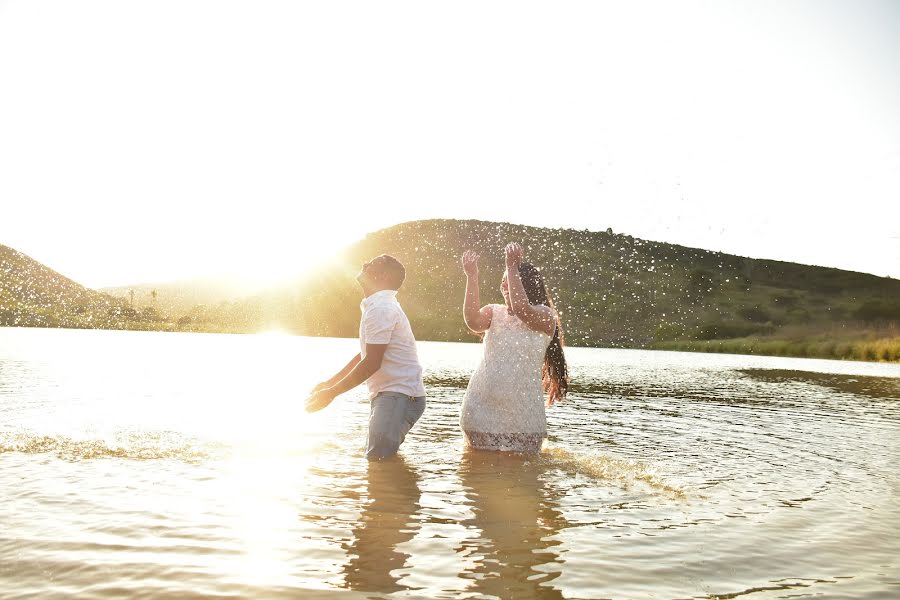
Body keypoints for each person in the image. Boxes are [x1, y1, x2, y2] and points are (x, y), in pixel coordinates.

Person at [305, 254, 426, 460]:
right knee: (381, 463)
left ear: (384, 276)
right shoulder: (378, 306)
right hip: (395, 396)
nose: (365, 263)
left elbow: (371, 363)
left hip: (397, 396)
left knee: (378, 462)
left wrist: (332, 393)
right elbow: (366, 355)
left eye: (373, 263)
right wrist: (329, 384)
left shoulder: (381, 308)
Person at [459, 242, 568, 453]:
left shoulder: (545, 316)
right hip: (481, 406)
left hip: (523, 413)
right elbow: (472, 320)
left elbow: (521, 309)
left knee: (524, 478)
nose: (505, 286)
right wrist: (471, 276)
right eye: (503, 282)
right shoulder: (494, 312)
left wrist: (512, 266)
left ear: (527, 285)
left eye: (510, 280)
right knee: (478, 480)